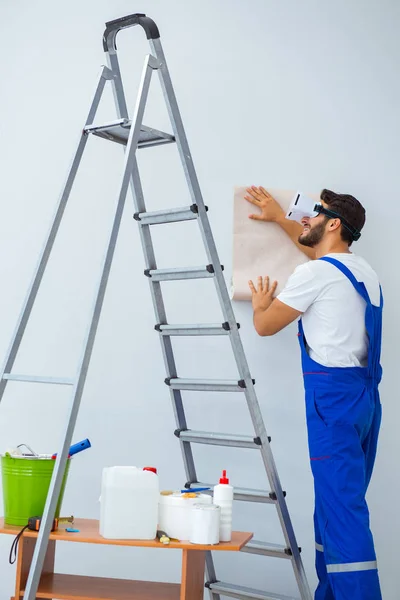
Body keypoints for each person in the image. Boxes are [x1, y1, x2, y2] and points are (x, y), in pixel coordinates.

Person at [244, 186, 383, 600]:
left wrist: (258, 304)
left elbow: (266, 326)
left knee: (343, 514)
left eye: (313, 213)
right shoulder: (362, 271)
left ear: (334, 223)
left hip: (333, 406)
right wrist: (279, 219)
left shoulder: (315, 274)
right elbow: (321, 262)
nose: (304, 218)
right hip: (363, 401)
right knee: (334, 506)